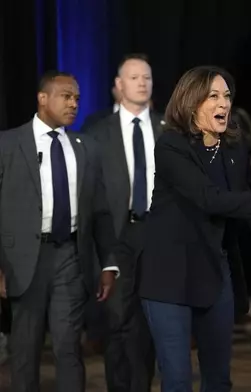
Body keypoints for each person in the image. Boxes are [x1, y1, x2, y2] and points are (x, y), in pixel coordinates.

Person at [137, 65, 251, 391]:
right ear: (192, 101)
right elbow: (210, 199)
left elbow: (243, 208)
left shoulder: (233, 150)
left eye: (227, 96)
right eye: (213, 96)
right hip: (169, 277)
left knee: (219, 380)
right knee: (177, 380)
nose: (224, 103)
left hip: (215, 275)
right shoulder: (171, 146)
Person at [0, 71, 119, 392]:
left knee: (68, 348)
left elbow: (102, 211)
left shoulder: (86, 147)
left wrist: (109, 262)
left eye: (77, 98)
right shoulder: (8, 144)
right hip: (23, 262)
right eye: (66, 96)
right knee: (24, 352)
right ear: (42, 98)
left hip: (71, 257)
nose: (74, 104)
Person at [85, 53, 160, 392]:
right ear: (118, 86)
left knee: (150, 322)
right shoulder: (96, 132)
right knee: (116, 322)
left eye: (146, 77)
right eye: (134, 77)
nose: (142, 82)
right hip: (115, 235)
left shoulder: (168, 129)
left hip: (159, 235)